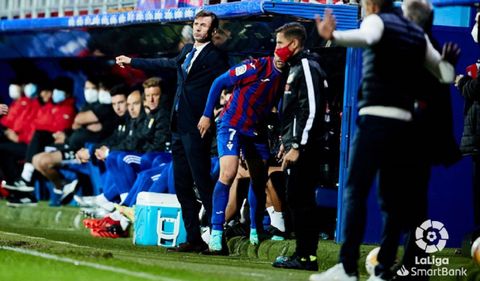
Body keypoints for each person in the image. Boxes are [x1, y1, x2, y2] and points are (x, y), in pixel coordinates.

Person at [310, 0, 459, 280]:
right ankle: (383, 270)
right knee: (391, 200)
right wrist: (449, 64)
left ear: (372, 4)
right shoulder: (418, 35)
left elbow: (366, 38)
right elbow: (445, 74)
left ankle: (347, 268)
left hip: (375, 120)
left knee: (355, 191)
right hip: (403, 126)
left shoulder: (378, 21)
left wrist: (334, 36)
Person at [115, 10, 229, 253]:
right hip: (177, 126)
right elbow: (165, 64)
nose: (198, 28)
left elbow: (220, 86)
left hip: (197, 126)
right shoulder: (187, 51)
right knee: (182, 184)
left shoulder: (217, 57)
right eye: (196, 24)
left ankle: (218, 235)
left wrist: (208, 114)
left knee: (202, 182)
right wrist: (133, 61)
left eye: (203, 25)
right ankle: (194, 238)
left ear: (212, 30)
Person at [197, 21, 295, 253]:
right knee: (229, 173)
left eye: (284, 46)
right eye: (277, 45)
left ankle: (254, 228)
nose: (280, 52)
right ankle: (215, 234)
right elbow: (219, 81)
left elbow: (280, 107)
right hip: (231, 124)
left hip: (256, 130)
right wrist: (206, 115)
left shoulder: (289, 75)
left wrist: (283, 136)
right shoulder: (256, 66)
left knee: (258, 179)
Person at [270, 22, 327, 271]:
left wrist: (298, 146)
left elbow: (312, 110)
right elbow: (293, 114)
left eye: (280, 43)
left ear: (294, 43)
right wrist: (287, 142)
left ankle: (306, 257)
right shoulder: (294, 67)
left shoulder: (306, 66)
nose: (277, 48)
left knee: (301, 198)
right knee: (296, 197)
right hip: (298, 144)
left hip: (308, 147)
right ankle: (303, 254)